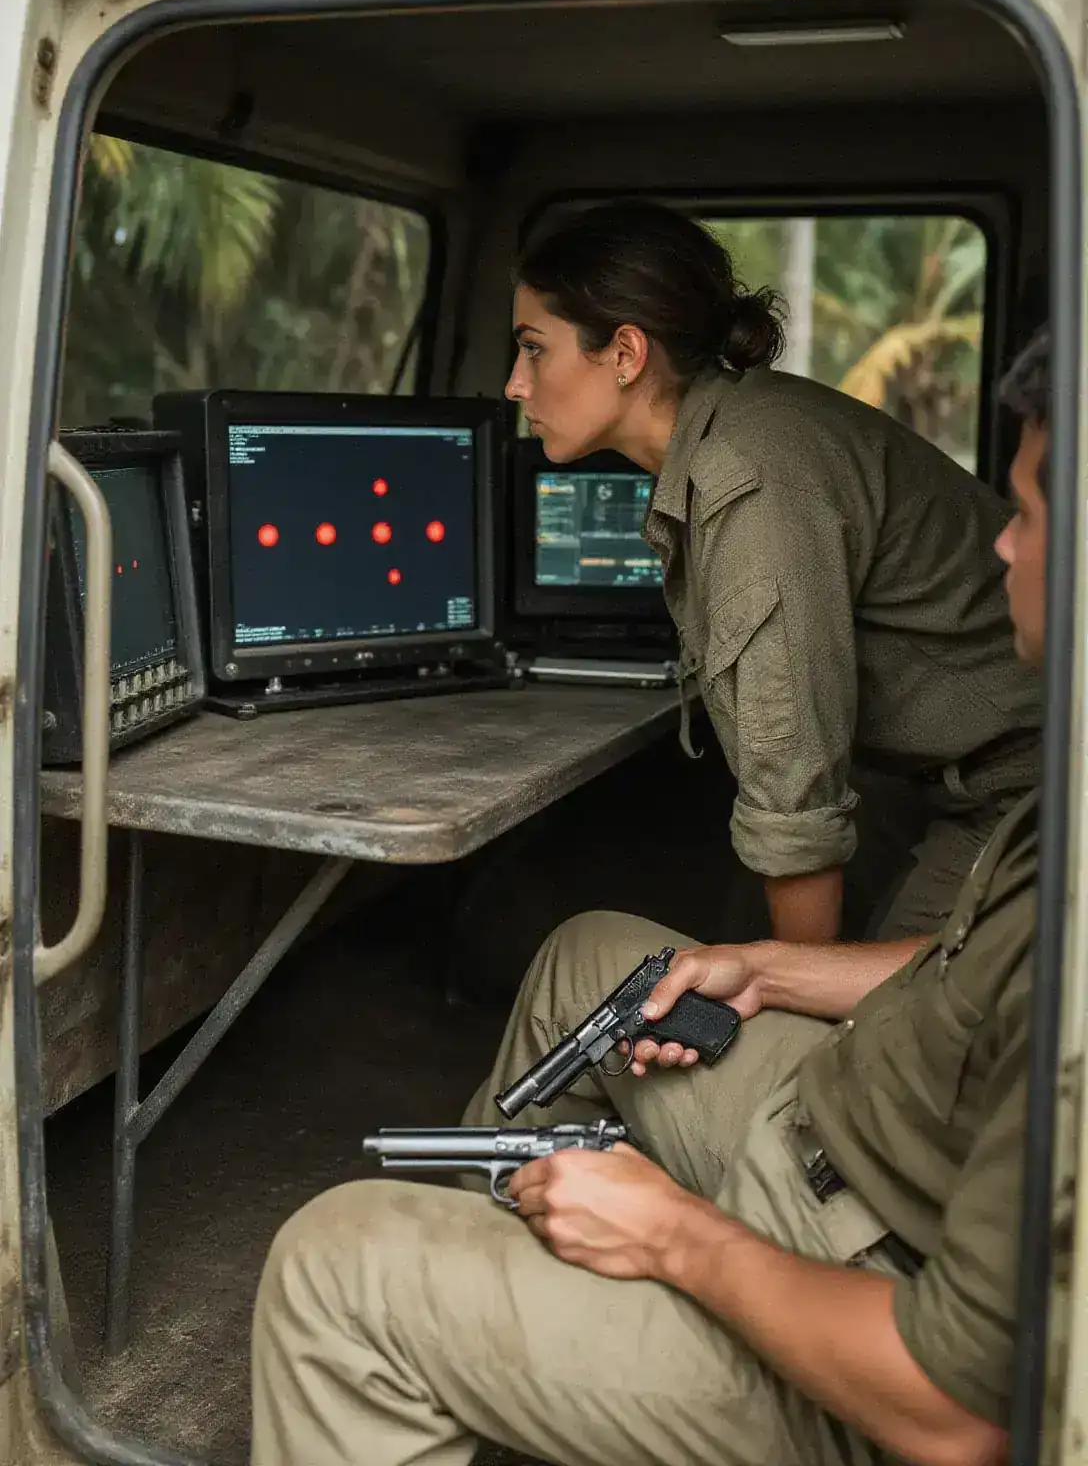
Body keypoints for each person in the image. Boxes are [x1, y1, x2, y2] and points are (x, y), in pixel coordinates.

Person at [249, 325, 1048, 1466]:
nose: (997, 547)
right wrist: (765, 967)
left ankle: (449, 1332)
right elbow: (978, 969)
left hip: (866, 1295)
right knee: (596, 958)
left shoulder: (750, 478)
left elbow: (956, 1412)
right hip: (856, 1135)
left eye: (1018, 514)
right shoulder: (1060, 792)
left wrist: (673, 1237)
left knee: (332, 1266)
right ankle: (502, 1341)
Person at [509, 201, 1039, 946]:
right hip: (935, 772)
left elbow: (795, 813)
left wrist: (793, 996)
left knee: (883, 1035)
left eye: (533, 349)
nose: (514, 384)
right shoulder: (740, 431)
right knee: (740, 904)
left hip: (1028, 784)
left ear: (626, 354)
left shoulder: (747, 476)